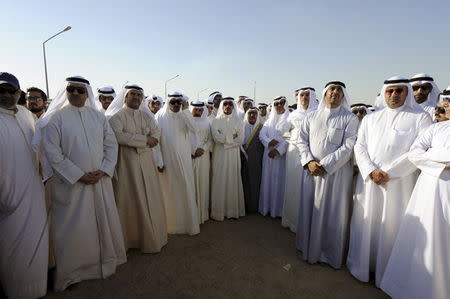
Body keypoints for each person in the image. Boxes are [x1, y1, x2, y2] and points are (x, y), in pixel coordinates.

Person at [40, 76, 126, 291]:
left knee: (102, 222)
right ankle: (73, 273)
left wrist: (105, 169)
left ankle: (103, 264)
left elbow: (111, 145)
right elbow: (52, 152)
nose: (76, 94)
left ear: (87, 93)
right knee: (73, 229)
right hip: (72, 185)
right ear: (66, 91)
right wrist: (78, 175)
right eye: (71, 89)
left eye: (80, 90)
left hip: (99, 181)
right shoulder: (56, 119)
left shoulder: (98, 117)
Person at [347, 76, 432, 286]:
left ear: (407, 93)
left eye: (399, 91)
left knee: (393, 228)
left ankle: (388, 273)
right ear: (384, 92)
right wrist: (371, 170)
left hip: (399, 184)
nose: (394, 95)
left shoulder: (420, 118)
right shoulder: (371, 119)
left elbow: (418, 151)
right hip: (370, 182)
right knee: (367, 224)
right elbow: (360, 146)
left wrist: (389, 173)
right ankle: (362, 267)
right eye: (390, 91)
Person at [380, 120, 450, 299]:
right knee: (424, 233)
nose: (446, 104)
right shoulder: (435, 128)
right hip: (428, 187)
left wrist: (432, 153)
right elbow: (414, 153)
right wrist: (441, 164)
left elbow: (424, 154)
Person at [295, 81, 359, 269]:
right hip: (311, 172)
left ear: (344, 95)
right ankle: (307, 248)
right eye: (332, 89)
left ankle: (329, 254)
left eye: (339, 90)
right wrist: (309, 161)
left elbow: (348, 146)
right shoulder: (311, 116)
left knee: (332, 215)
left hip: (335, 175)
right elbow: (301, 140)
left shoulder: (350, 118)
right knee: (309, 210)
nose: (335, 92)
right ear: (325, 93)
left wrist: (325, 165)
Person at [0, 72, 48, 298]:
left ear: (18, 93)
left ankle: (37, 290)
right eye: (2, 91)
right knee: (12, 250)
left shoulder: (26, 115)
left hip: (34, 190)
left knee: (35, 244)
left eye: (11, 91)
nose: (7, 95)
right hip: (7, 199)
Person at [107, 84, 168, 253]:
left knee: (150, 198)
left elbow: (156, 133)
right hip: (127, 166)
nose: (135, 97)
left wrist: (147, 139)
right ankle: (131, 240)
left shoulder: (146, 116)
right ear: (125, 97)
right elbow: (119, 136)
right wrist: (144, 140)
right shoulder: (116, 117)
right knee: (130, 200)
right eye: (132, 94)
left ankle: (152, 237)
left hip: (147, 164)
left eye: (139, 95)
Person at [155, 92, 200, 235]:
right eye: (172, 102)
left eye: (178, 102)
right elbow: (155, 141)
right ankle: (171, 225)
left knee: (185, 189)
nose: (175, 105)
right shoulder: (160, 116)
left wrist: (186, 110)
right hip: (167, 161)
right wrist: (159, 160)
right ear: (168, 102)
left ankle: (187, 225)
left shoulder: (184, 115)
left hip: (184, 161)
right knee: (169, 191)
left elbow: (194, 129)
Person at [282, 87, 318, 232]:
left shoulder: (318, 113)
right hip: (293, 154)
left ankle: (306, 224)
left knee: (308, 188)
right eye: (302, 95)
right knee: (293, 186)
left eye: (307, 95)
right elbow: (283, 132)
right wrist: (294, 136)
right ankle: (292, 220)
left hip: (311, 155)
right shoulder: (293, 115)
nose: (304, 98)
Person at [210, 97, 246, 220]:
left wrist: (225, 138)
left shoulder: (239, 121)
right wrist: (232, 137)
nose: (228, 106)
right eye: (225, 104)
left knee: (232, 179)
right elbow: (216, 138)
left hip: (233, 157)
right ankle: (218, 212)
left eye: (230, 104)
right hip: (219, 155)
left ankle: (232, 211)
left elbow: (240, 140)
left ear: (233, 106)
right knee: (220, 180)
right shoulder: (215, 121)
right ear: (222, 106)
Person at [259, 96, 290, 218]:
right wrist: (268, 142)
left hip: (280, 158)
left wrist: (278, 150)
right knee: (268, 181)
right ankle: (266, 208)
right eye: (276, 103)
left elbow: (290, 138)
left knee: (279, 183)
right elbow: (262, 134)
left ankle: (278, 211)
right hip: (268, 156)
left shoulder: (289, 120)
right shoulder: (268, 120)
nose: (279, 106)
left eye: (282, 103)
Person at [190, 100, 213, 224]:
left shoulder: (207, 123)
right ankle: (192, 216)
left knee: (203, 184)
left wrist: (202, 149)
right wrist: (193, 151)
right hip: (190, 156)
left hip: (203, 157)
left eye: (200, 110)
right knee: (191, 185)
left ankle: (202, 215)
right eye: (196, 109)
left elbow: (210, 141)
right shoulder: (187, 122)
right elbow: (182, 139)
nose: (198, 112)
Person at [241, 107, 264, 213]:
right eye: (250, 113)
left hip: (256, 161)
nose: (252, 115)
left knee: (255, 183)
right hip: (243, 160)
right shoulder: (241, 127)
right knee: (244, 183)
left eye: (254, 113)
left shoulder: (261, 128)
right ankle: (244, 206)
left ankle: (255, 207)